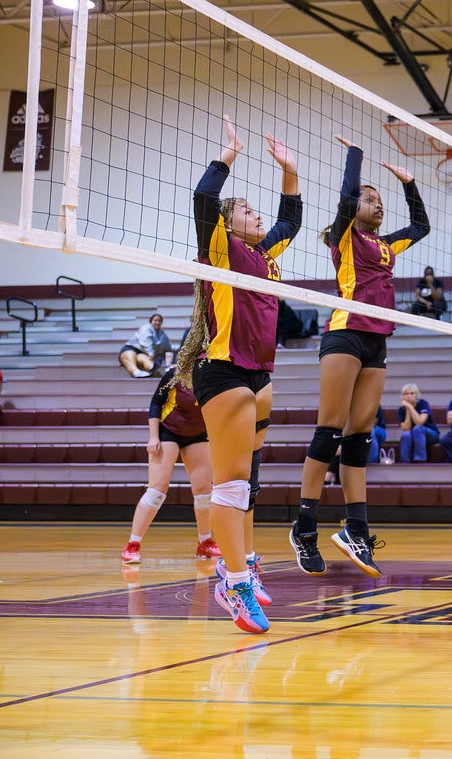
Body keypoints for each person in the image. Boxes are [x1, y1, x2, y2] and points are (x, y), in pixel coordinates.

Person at [181, 114, 300, 633]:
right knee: (229, 488)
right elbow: (204, 199)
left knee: (247, 482)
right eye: (246, 210)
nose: (256, 214)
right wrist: (229, 155)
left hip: (257, 373)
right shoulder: (221, 248)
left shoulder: (262, 253)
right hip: (224, 370)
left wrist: (289, 173)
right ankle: (233, 583)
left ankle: (246, 563)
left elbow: (290, 222)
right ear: (229, 224)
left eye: (256, 209)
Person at [291, 136, 428, 580]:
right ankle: (306, 528)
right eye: (370, 199)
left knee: (360, 435)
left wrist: (408, 184)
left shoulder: (388, 246)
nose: (376, 204)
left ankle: (355, 530)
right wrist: (356, 158)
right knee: (329, 428)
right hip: (345, 333)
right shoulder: (345, 236)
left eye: (380, 200)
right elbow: (348, 198)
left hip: (377, 339)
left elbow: (420, 226)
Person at [121, 367, 220, 566]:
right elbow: (156, 404)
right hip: (169, 431)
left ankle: (205, 543)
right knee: (157, 491)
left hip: (197, 434)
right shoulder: (175, 374)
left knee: (204, 492)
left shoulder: (216, 375)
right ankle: (132, 545)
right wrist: (153, 437)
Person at [395, 383, 440, 462]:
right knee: (406, 435)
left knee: (417, 429)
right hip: (413, 434)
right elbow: (406, 428)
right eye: (406, 394)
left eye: (412, 393)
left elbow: (420, 422)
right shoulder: (401, 410)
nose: (409, 396)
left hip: (430, 434)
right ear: (403, 396)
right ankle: (405, 463)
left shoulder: (423, 404)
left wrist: (410, 407)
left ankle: (420, 460)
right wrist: (408, 410)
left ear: (416, 395)